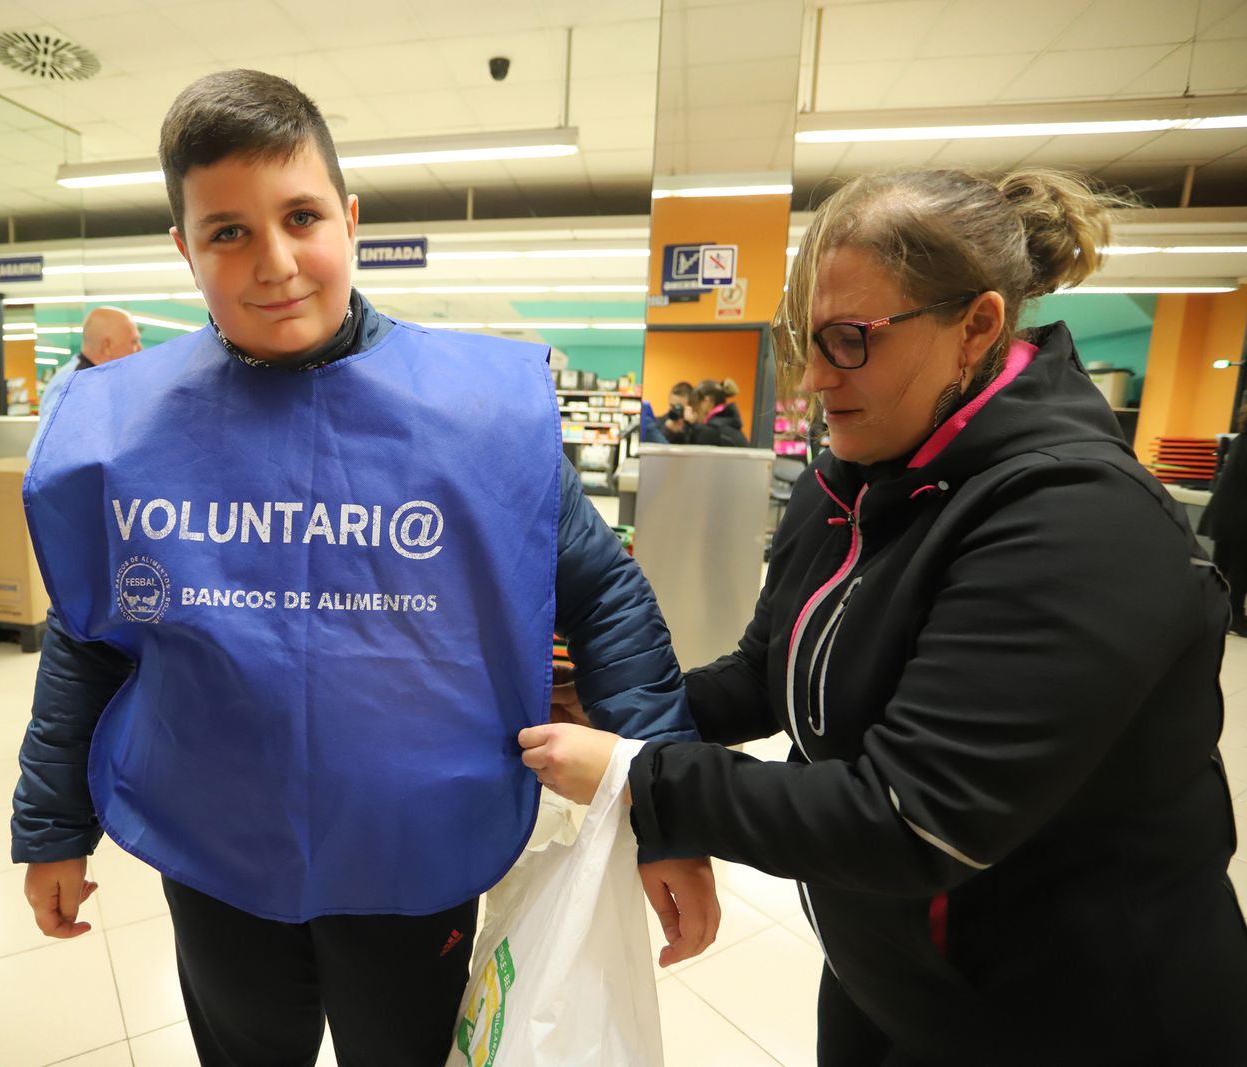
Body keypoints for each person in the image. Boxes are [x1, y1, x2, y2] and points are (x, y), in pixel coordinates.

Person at [12, 69, 718, 1067]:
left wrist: (668, 814)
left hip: (416, 853)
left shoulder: (476, 419)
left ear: (348, 218)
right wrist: (51, 824)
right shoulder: (122, 435)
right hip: (216, 851)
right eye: (227, 231)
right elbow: (86, 636)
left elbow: (606, 602)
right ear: (183, 247)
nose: (274, 261)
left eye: (300, 216)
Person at [521, 167, 1247, 1064]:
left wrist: (638, 775)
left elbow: (911, 816)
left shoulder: (1074, 520)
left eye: (850, 340)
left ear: (976, 327)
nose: (818, 377)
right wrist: (614, 710)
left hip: (1065, 1011)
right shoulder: (851, 479)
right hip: (889, 971)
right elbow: (769, 672)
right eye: (805, 340)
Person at [31, 306, 142, 448]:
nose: (140, 349)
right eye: (133, 342)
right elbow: (44, 451)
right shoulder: (75, 384)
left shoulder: (98, 379)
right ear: (107, 347)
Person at [1200, 402, 1247, 635]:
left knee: (1222, 566)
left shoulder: (1240, 440)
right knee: (1240, 568)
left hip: (1226, 512)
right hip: (1239, 516)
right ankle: (1234, 616)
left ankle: (1210, 611)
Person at [687, 378, 749, 447]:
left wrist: (691, 426)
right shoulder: (726, 424)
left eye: (695, 405)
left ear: (707, 401)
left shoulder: (711, 431)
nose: (695, 412)